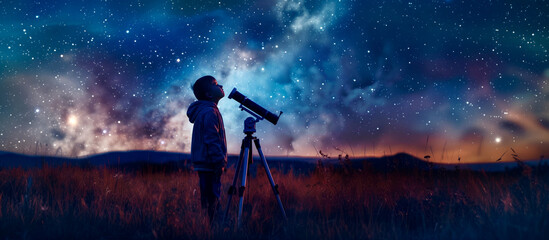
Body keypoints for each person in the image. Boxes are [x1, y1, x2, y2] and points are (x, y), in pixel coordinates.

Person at [186, 75, 227, 224]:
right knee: (212, 198)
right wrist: (219, 161)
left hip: (204, 162)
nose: (220, 85)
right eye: (215, 84)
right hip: (210, 163)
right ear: (209, 94)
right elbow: (212, 139)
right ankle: (214, 227)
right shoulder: (210, 112)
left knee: (208, 197)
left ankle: (209, 225)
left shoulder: (206, 111)